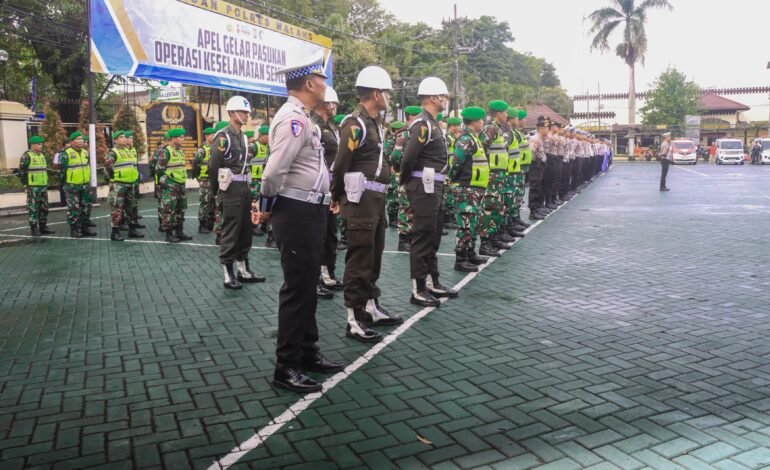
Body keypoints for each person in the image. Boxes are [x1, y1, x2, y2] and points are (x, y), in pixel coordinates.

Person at [257, 52, 343, 393]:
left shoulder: (305, 118)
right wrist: (266, 205)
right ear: (309, 83)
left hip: (311, 210)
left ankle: (307, 352)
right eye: (322, 80)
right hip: (295, 212)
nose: (325, 85)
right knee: (297, 289)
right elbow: (274, 171)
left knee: (307, 285)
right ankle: (287, 365)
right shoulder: (292, 119)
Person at [332, 65, 403, 344]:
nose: (389, 97)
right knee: (359, 259)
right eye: (386, 92)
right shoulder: (355, 123)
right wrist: (338, 197)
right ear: (375, 93)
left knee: (373, 257)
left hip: (375, 200)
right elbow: (340, 167)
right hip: (359, 201)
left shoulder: (374, 123)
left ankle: (371, 307)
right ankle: (353, 319)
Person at [400, 76, 458, 306]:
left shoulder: (433, 123)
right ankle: (418, 288)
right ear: (434, 98)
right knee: (423, 237)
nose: (445, 100)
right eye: (443, 97)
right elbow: (408, 158)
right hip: (424, 185)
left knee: (433, 235)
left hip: (435, 184)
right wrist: (407, 182)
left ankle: (433, 282)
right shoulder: (423, 124)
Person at [209, 99, 266, 288]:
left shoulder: (242, 137)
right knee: (231, 232)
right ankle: (228, 273)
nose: (246, 115)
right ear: (232, 113)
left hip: (243, 189)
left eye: (247, 112)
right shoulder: (223, 137)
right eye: (243, 111)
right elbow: (213, 166)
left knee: (245, 231)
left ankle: (243, 270)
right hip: (230, 189)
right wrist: (215, 191)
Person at [449, 106, 491, 272]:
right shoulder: (466, 139)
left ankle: (470, 253)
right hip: (466, 188)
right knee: (465, 224)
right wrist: (452, 180)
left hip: (475, 189)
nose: (483, 123)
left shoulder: (474, 138)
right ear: (474, 121)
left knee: (472, 223)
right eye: (481, 120)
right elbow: (456, 162)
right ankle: (461, 258)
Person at [313, 86, 343, 299]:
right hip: (316, 187)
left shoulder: (331, 126)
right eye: (331, 103)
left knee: (330, 233)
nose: (334, 106)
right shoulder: (312, 124)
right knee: (317, 236)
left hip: (331, 187)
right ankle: (314, 280)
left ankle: (328, 272)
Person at [104, 131, 143, 241]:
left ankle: (132, 230)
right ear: (115, 140)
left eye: (125, 137)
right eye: (121, 137)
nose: (124, 139)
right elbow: (107, 168)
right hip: (119, 184)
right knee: (117, 209)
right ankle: (115, 232)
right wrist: (112, 180)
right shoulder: (113, 152)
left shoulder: (129, 151)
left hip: (131, 184)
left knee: (132, 207)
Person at [60, 131, 96, 238]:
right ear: (71, 141)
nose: (81, 141)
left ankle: (84, 228)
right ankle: (75, 229)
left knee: (85, 207)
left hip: (84, 185)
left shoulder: (85, 152)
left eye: (81, 139)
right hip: (72, 186)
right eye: (78, 139)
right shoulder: (66, 153)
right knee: (73, 209)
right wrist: (66, 184)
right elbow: (62, 171)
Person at [396, 105, 422, 251]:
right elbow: (395, 156)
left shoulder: (417, 131)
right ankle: (404, 239)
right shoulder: (405, 134)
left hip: (417, 177)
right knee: (406, 206)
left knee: (414, 207)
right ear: (410, 117)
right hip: (406, 176)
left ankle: (411, 236)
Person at [18, 136, 55, 236]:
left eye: (41, 144)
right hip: (33, 187)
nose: (40, 146)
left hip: (43, 186)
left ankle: (43, 226)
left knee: (44, 207)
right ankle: (34, 228)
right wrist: (26, 184)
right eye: (38, 144)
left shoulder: (42, 156)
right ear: (32, 145)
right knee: (33, 208)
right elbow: (21, 172)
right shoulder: (27, 156)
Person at [193, 127, 216, 233]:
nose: (214, 137)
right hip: (205, 180)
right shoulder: (202, 149)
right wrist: (198, 178)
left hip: (214, 179)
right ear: (207, 136)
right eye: (212, 135)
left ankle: (210, 223)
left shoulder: (215, 148)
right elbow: (195, 165)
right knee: (205, 202)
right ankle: (202, 225)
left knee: (213, 202)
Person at [528, 117, 550, 220]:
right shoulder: (535, 139)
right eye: (546, 128)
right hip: (536, 166)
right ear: (540, 129)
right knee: (535, 188)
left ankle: (537, 208)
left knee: (539, 188)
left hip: (540, 166)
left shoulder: (540, 139)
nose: (548, 130)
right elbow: (530, 153)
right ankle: (533, 211)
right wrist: (536, 161)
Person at [250, 126, 270, 236]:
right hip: (254, 181)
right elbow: (246, 164)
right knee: (254, 204)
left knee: (263, 203)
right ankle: (253, 226)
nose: (268, 138)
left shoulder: (268, 147)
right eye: (266, 136)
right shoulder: (254, 147)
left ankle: (262, 225)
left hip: (264, 180)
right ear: (261, 136)